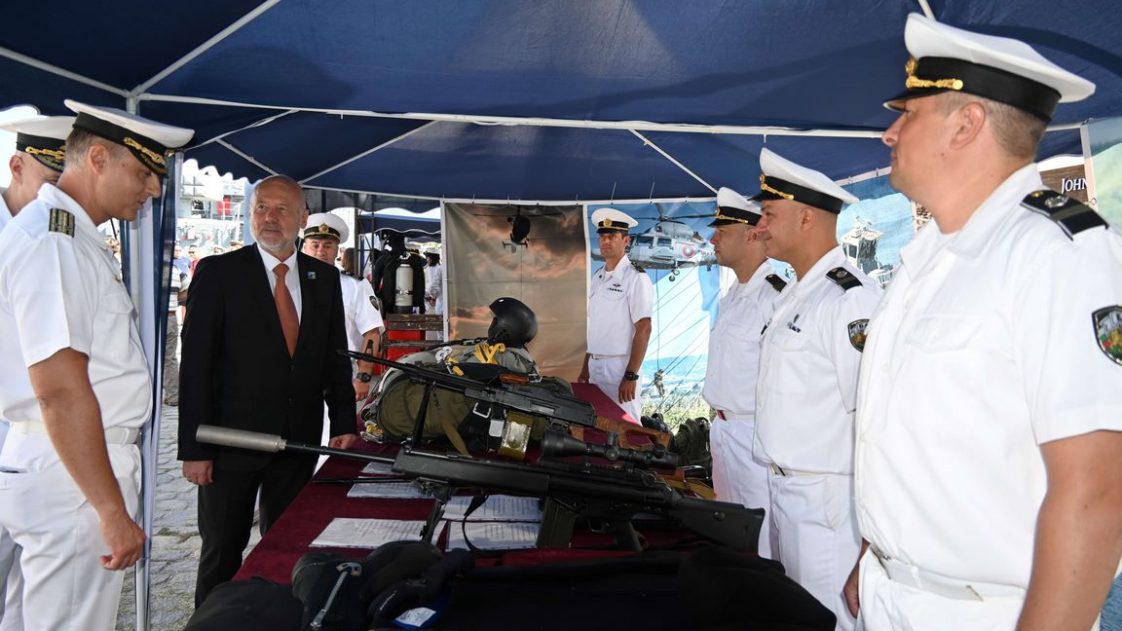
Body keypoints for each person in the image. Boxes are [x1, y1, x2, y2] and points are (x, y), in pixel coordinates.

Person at [844, 14, 1122, 630]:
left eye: (908, 113)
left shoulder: (1058, 253)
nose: (890, 133)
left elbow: (1098, 493)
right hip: (892, 594)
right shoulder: (928, 258)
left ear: (966, 124)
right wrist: (877, 552)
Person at [0, 100, 192, 631]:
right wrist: (110, 510)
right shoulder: (55, 242)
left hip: (66, 465)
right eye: (145, 172)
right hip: (72, 474)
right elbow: (60, 391)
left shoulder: (68, 235)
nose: (154, 189)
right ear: (99, 159)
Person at [178, 175, 359, 607]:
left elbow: (334, 357)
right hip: (230, 443)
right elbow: (196, 366)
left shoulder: (323, 278)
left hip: (296, 441)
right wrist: (194, 449)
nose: (269, 218)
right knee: (222, 551)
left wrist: (344, 422)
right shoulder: (220, 273)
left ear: (302, 217)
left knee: (287, 548)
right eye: (261, 208)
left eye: (281, 209)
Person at [751, 147, 882, 629]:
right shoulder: (797, 294)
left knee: (827, 620)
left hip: (826, 504)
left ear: (806, 217)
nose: (759, 226)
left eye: (769, 213)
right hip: (786, 490)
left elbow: (873, 421)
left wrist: (870, 541)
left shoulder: (849, 300)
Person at [0, 114, 73, 631]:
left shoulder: (57, 234)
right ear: (16, 166)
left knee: (28, 591)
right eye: (50, 182)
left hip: (38, 441)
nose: (56, 198)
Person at [701, 186, 785, 560]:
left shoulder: (776, 297)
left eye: (722, 231)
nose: (713, 239)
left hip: (754, 438)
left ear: (751, 234)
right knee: (731, 537)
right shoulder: (733, 295)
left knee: (762, 541)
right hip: (724, 432)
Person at [578, 207, 653, 422]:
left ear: (626, 241)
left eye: (612, 236)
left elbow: (644, 328)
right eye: (602, 236)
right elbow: (596, 328)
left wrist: (631, 375)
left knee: (626, 425)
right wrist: (585, 369)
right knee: (597, 424)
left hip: (619, 367)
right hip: (595, 365)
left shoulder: (636, 278)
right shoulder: (597, 278)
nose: (606, 241)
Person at [301, 213, 384, 401]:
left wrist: (363, 376)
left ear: (337, 250)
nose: (321, 251)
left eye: (327, 246)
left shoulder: (356, 286)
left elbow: (372, 333)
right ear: (304, 247)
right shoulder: (287, 283)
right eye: (315, 245)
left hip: (340, 374)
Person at [163, 266, 188, 406]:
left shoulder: (142, 266)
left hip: (149, 318)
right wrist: (173, 299)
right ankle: (173, 396)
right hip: (170, 317)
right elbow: (188, 290)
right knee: (170, 358)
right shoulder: (176, 269)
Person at [424, 250, 444, 316]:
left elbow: (435, 285)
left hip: (438, 300)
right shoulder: (426, 270)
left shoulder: (440, 269)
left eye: (428, 258)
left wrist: (433, 297)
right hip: (428, 301)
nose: (427, 260)